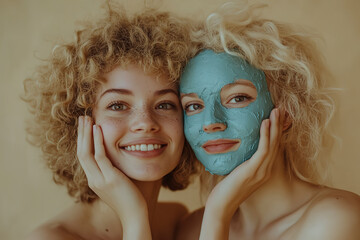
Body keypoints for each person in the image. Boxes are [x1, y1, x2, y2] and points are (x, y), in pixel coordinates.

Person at [176, 2, 360, 240]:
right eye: (193, 106)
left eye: (237, 98)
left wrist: (217, 214)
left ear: (287, 111)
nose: (210, 122)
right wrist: (217, 213)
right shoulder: (191, 229)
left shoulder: (336, 219)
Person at [23, 5, 198, 240]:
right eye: (118, 106)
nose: (145, 123)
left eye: (164, 104)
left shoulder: (178, 221)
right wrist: (135, 219)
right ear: (78, 123)